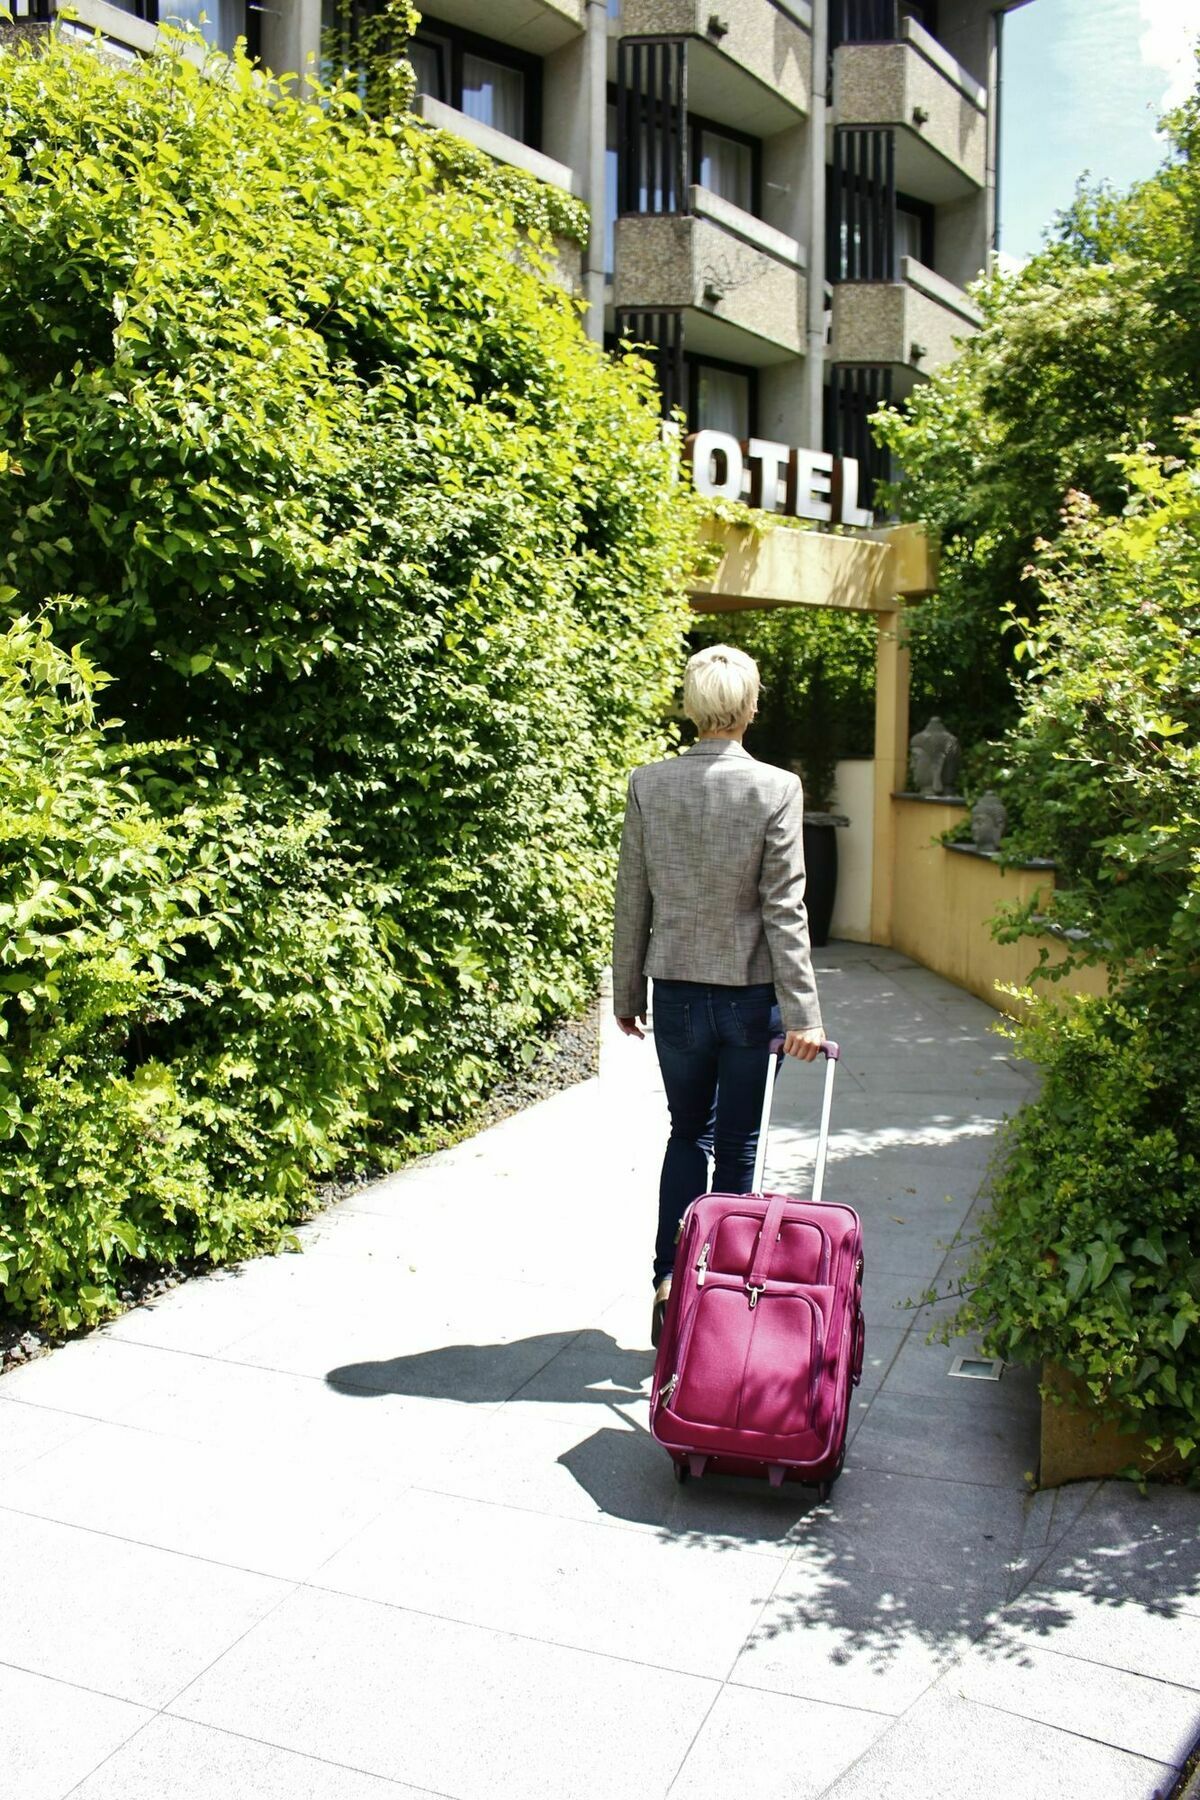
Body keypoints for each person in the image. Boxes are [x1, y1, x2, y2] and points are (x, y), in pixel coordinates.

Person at [612, 643, 825, 1346]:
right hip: (746, 996)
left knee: (685, 1133)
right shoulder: (777, 788)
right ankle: (721, 1299)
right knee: (736, 1148)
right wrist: (804, 1016)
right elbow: (784, 909)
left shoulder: (649, 783)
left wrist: (625, 991)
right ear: (750, 705)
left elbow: (630, 899)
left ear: (690, 705)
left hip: (672, 992)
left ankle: (667, 1282)